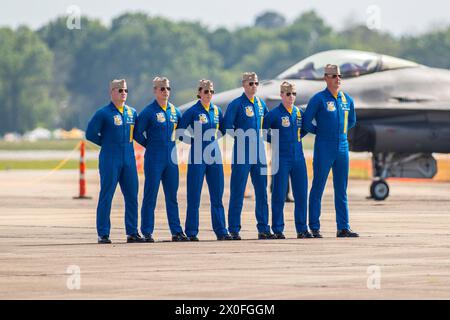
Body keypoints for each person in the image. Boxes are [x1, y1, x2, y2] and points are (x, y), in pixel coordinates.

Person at [303, 64, 359, 238]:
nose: (338, 79)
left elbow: (352, 121)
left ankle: (343, 227)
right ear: (325, 78)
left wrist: (339, 133)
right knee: (318, 186)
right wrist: (321, 132)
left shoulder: (347, 99)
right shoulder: (318, 99)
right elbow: (306, 122)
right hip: (324, 146)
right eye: (334, 76)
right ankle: (314, 226)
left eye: (339, 76)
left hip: (342, 146)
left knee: (341, 188)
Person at [86, 79, 144, 244]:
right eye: (119, 90)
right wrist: (105, 143)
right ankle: (103, 233)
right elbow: (90, 134)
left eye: (125, 90)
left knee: (132, 196)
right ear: (111, 92)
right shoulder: (103, 113)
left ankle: (132, 232)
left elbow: (138, 134)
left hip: (129, 159)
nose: (123, 93)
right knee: (107, 195)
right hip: (110, 158)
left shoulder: (132, 113)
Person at [134, 77, 188, 243]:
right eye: (162, 89)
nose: (166, 92)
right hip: (154, 157)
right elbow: (136, 133)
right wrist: (149, 144)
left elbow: (181, 131)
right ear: (155, 91)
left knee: (172, 196)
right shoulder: (148, 112)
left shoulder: (174, 111)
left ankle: (177, 231)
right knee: (151, 195)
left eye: (168, 89)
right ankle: (147, 231)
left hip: (171, 158)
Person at [177, 79, 231, 241]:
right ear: (199, 92)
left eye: (211, 92)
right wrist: (193, 141)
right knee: (194, 194)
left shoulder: (216, 110)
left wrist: (213, 140)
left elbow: (222, 129)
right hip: (197, 155)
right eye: (206, 91)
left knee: (217, 194)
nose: (209, 94)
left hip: (214, 154)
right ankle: (192, 232)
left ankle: (221, 230)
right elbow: (180, 131)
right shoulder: (192, 111)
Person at [223, 72, 274, 240]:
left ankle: (264, 228)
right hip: (242, 153)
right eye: (251, 83)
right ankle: (234, 229)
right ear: (244, 85)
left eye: (256, 83)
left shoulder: (260, 104)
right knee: (238, 191)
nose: (254, 86)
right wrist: (241, 137)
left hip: (259, 152)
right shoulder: (236, 104)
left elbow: (267, 124)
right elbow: (227, 126)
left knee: (262, 191)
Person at [263, 81, 311, 239]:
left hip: (298, 158)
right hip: (281, 158)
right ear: (282, 95)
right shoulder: (274, 114)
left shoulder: (299, 113)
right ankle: (277, 229)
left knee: (301, 194)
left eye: (294, 94)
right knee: (278, 194)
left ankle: (302, 229)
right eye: (288, 94)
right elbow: (262, 131)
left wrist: (297, 138)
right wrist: (274, 139)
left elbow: (305, 129)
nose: (292, 97)